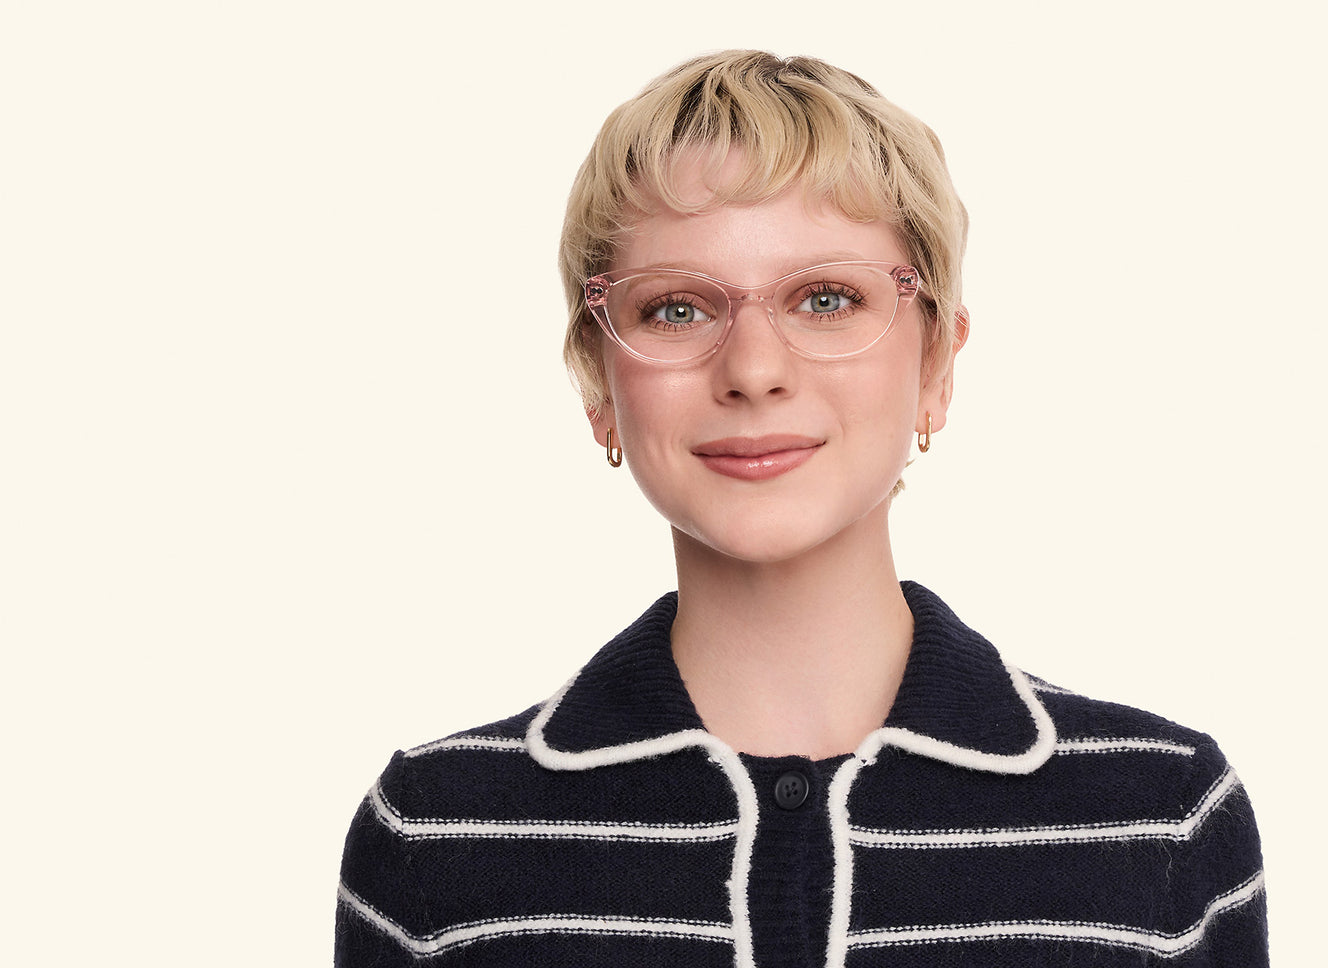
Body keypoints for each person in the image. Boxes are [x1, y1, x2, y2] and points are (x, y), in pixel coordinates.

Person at [335, 50, 1268, 968]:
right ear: (598, 383)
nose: (753, 370)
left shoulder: (1165, 816)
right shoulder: (431, 834)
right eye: (676, 309)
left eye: (825, 298)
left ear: (936, 366)